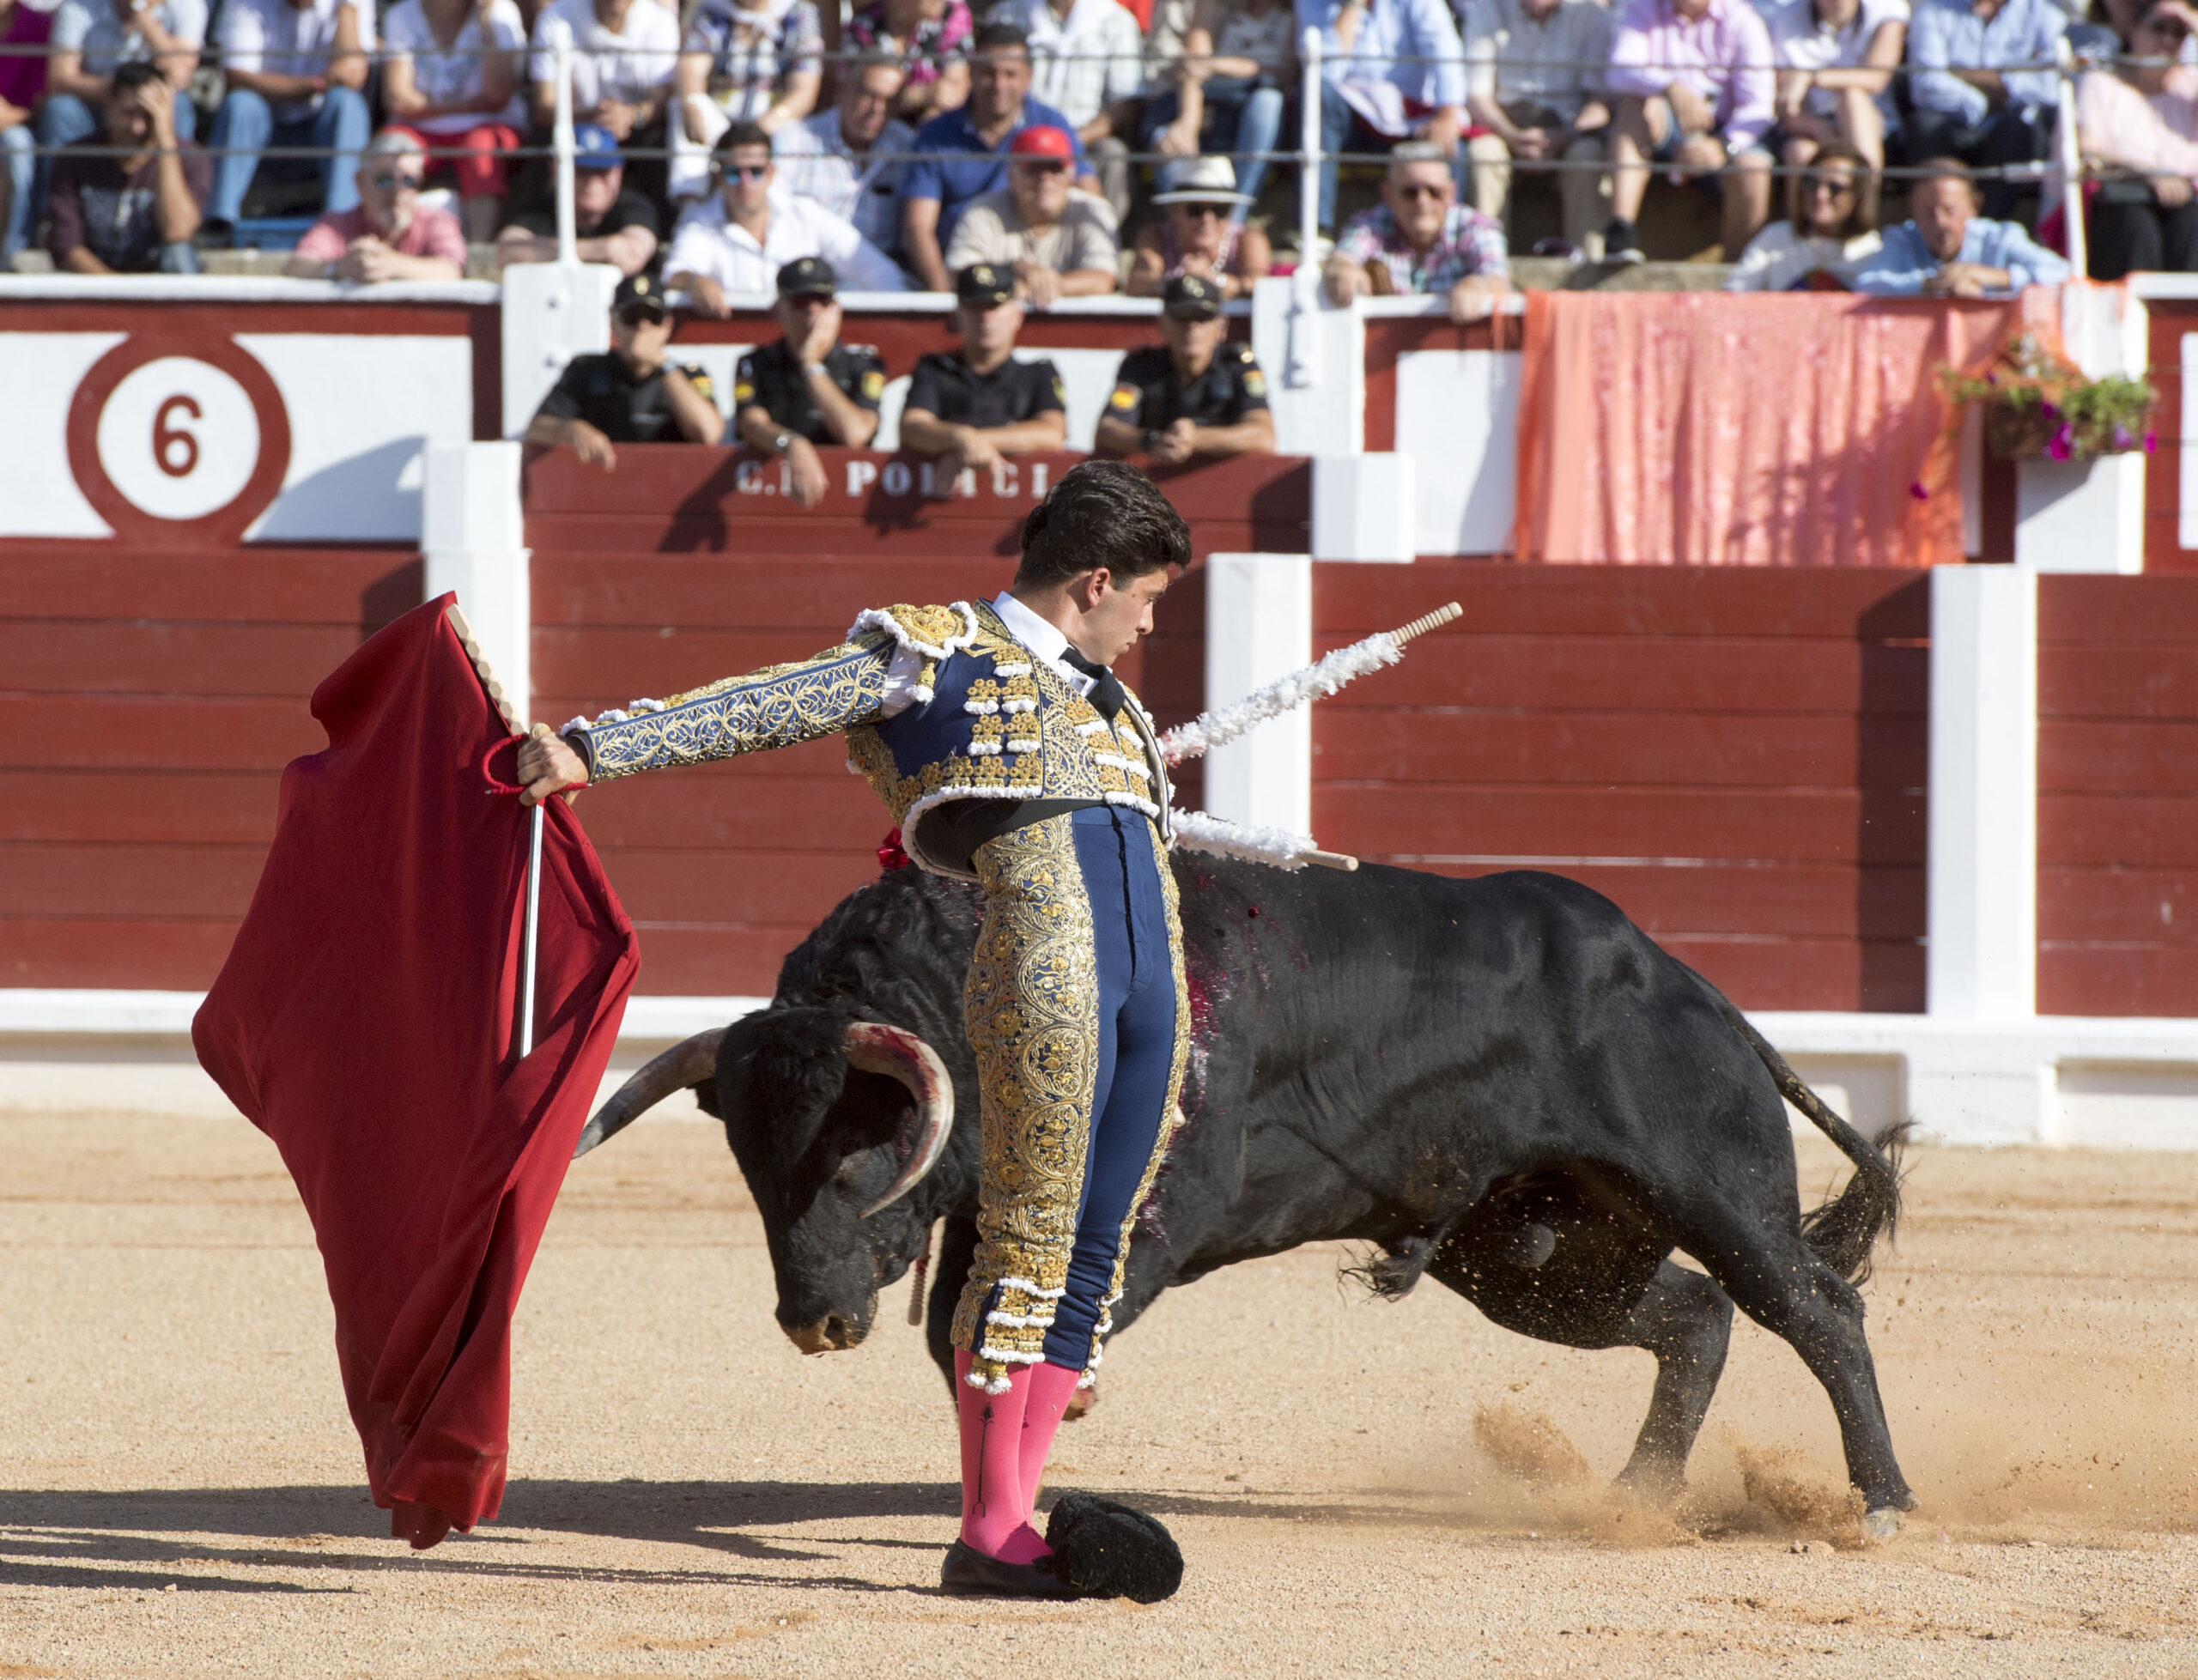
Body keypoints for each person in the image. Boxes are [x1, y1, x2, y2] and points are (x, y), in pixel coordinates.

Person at [513, 458, 1196, 1603]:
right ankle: (991, 1534)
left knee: (1094, 1250)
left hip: (1149, 987)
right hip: (1049, 975)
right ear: (1094, 580)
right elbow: (771, 702)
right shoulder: (935, 649)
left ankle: (1017, 1511)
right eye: (1147, 599)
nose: (1148, 624)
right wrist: (601, 744)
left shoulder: (1113, 706)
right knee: (1027, 1241)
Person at [900, 22, 1098, 292]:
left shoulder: (1053, 125)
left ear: (1028, 76)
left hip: (1042, 280)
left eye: (1010, 74)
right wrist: (944, 297)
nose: (999, 84)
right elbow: (917, 227)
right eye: (988, 73)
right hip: (962, 276)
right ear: (971, 70)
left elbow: (1090, 202)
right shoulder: (935, 135)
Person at [664, 120, 908, 309]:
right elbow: (674, 273)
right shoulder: (700, 224)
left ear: (771, 172)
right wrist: (695, 283)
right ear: (718, 177)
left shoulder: (804, 214)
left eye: (755, 171)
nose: (745, 182)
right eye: (733, 173)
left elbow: (879, 272)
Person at [1600, 0, 1775, 264]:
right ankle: (1620, 231)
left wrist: (1724, 145)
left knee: (1753, 168)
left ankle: (1738, 277)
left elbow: (1760, 105)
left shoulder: (1743, 20)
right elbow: (1619, 71)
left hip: (1726, 136)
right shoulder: (1642, 8)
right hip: (1666, 132)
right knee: (1633, 108)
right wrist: (1670, 88)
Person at [1296, 0, 1470, 235]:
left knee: (1451, 142)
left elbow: (1444, 51)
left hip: (1408, 120)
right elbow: (1324, 74)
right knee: (1317, 96)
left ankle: (1449, 239)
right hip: (1349, 120)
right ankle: (1315, 230)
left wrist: (1448, 113)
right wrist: (1352, 7)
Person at [203, 0, 374, 239]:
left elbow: (352, 77)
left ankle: (342, 225)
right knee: (241, 104)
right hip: (264, 124)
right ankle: (217, 225)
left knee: (347, 104)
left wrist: (346, 11)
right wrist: (317, 84)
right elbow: (238, 77)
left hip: (322, 127)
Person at [1460, 0, 1613, 257]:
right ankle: (1486, 261)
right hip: (1503, 125)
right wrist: (1511, 135)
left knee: (1588, 155)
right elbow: (1476, 95)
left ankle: (1589, 267)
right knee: (1483, 153)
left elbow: (1600, 102)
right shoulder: (1487, 10)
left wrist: (1565, 136)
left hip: (1569, 130)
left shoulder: (1591, 15)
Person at [525, 272, 726, 468]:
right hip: (605, 487)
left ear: (667, 326)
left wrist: (663, 364)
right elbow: (535, 428)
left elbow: (708, 433)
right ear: (614, 324)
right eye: (632, 317)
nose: (642, 327)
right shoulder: (587, 369)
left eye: (652, 317)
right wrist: (570, 429)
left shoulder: (690, 374)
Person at [732, 258, 887, 506]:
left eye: (822, 301)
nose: (812, 310)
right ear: (778, 310)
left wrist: (811, 364)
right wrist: (792, 443)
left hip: (850, 508)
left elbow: (855, 433)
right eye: (800, 302)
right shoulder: (754, 363)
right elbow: (751, 425)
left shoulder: (864, 364)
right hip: (770, 505)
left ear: (836, 309)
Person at [901, 261, 1069, 488]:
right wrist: (959, 437)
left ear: (1016, 314)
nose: (985, 317)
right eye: (975, 307)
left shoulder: (1038, 372)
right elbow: (912, 427)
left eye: (994, 306)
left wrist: (968, 443)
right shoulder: (933, 369)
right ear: (957, 315)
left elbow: (1052, 433)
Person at [378, 0, 528, 244]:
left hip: (488, 127)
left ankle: (479, 250)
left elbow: (497, 95)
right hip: (419, 129)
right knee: (389, 153)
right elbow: (398, 99)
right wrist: (466, 106)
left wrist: (486, 24)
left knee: (480, 148)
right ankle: (390, 243)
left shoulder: (500, 13)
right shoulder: (401, 15)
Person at [1904, 0, 2067, 220]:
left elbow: (2049, 89)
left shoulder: (2046, 15)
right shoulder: (1932, 9)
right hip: (1950, 121)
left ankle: (1985, 228)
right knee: (1924, 126)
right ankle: (1933, 227)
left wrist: (1961, 74)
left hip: (2012, 129)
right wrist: (1987, 101)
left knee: (2018, 130)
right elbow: (1925, 84)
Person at [46, 58, 208, 272]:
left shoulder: (190, 157)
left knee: (179, 255)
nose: (137, 127)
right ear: (109, 106)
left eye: (148, 117)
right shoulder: (75, 157)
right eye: (129, 113)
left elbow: (177, 232)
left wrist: (165, 139)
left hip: (161, 286)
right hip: (96, 283)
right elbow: (66, 246)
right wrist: (120, 294)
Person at [988, 0, 1145, 221]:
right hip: (1016, 135)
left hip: (1085, 139)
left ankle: (1103, 236)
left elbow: (1126, 103)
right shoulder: (1006, 14)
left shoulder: (1117, 20)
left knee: (1112, 154)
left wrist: (1069, 140)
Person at [1096, 275, 1274, 463]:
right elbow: (1107, 430)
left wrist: (1195, 438)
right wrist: (1153, 440)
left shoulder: (1238, 365)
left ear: (1222, 327)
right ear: (1162, 323)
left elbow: (1263, 435)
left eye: (1202, 317)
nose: (1192, 327)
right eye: (1182, 317)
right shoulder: (1140, 365)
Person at [1323, 141, 1511, 318]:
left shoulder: (1477, 227)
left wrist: (1478, 286)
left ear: (1451, 192)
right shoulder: (1370, 224)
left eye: (1434, 192)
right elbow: (1343, 258)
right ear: (1387, 194)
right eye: (1410, 193)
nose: (1423, 201)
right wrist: (1342, 269)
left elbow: (1497, 279)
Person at [2077, 0, 2198, 276]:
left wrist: (2194, 21)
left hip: (2187, 205)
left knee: (2193, 222)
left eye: (2179, 33)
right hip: (2121, 200)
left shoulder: (2192, 87)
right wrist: (2151, 174)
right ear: (2133, 29)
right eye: (2158, 28)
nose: (2167, 40)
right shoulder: (2101, 83)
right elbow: (2088, 150)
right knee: (2135, 223)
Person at [1762, 0, 1906, 227]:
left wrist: (1812, 77)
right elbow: (1784, 107)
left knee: (1852, 98)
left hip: (1873, 127)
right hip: (1809, 127)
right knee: (1799, 153)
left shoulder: (1888, 9)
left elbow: (1877, 78)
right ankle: (1800, 237)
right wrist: (1817, 129)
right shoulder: (1783, 19)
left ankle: (1864, 220)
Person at [1138, 0, 1292, 211]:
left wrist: (1218, 65)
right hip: (1207, 102)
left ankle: (1233, 222)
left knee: (1267, 102)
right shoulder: (1214, 5)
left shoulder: (1295, 12)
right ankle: (1179, 229)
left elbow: (1287, 72)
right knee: (1166, 141)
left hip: (1255, 109)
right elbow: (1193, 64)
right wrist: (1188, 121)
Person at [944, 122, 1119, 302]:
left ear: (1071, 176)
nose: (1045, 178)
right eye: (1033, 168)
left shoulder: (1092, 210)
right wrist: (1014, 270)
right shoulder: (981, 211)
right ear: (1011, 176)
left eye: (1055, 168)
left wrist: (1046, 285)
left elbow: (1103, 280)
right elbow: (958, 274)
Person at [670, 0, 824, 202]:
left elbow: (804, 92)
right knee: (682, 107)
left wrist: (756, 132)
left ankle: (771, 212)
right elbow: (691, 68)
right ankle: (691, 202)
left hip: (775, 124)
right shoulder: (712, 9)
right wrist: (691, 104)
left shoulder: (799, 13)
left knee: (792, 137)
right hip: (720, 126)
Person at [526, 0, 681, 199]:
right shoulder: (555, 17)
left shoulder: (660, 20)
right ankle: (539, 220)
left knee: (658, 146)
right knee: (545, 142)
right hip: (574, 126)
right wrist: (596, 116)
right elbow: (544, 107)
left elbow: (660, 101)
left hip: (634, 130)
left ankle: (654, 226)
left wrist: (630, 115)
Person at [1852, 154, 2070, 293]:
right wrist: (1932, 284)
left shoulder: (2000, 237)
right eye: (1928, 212)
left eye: (1950, 210)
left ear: (1974, 206)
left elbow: (2062, 272)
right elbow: (1866, 284)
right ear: (1913, 209)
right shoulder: (1901, 238)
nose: (1940, 222)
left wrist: (1991, 276)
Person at [36, 0, 203, 179]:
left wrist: (143, 18)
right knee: (61, 108)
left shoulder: (188, 5)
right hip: (94, 107)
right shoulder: (76, 6)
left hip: (151, 107)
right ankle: (56, 199)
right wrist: (121, 92)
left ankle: (171, 190)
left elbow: (179, 75)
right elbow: (59, 81)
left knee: (178, 105)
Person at [774, 57, 917, 259]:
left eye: (890, 100)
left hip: (880, 278)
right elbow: (772, 218)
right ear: (842, 90)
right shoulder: (794, 141)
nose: (878, 109)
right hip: (806, 272)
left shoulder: (908, 147)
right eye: (868, 95)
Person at [282, 128, 468, 280]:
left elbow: (452, 271)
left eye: (408, 181)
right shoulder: (336, 224)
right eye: (385, 180)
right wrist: (339, 268)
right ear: (360, 183)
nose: (397, 191)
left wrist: (391, 264)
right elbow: (295, 267)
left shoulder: (438, 221)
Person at [494, 120, 659, 272]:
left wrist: (544, 251)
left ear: (618, 172)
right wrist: (601, 249)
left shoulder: (633, 206)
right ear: (555, 170)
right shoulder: (539, 208)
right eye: (582, 172)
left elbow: (633, 252)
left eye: (602, 172)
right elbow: (507, 251)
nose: (592, 182)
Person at [1723, 138, 1881, 288]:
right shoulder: (1776, 237)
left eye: (1834, 187)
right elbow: (1734, 294)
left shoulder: (1872, 251)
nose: (1821, 194)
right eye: (1811, 183)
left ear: (1858, 195)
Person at [1126, 155, 1272, 296]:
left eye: (1219, 210)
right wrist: (1182, 282)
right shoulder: (1155, 236)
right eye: (1195, 210)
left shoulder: (1249, 238)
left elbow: (1259, 286)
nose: (1207, 219)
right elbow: (1137, 284)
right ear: (1175, 210)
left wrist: (1214, 280)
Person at [845, 0, 974, 124]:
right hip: (878, 129)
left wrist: (927, 127)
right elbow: (854, 99)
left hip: (933, 126)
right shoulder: (864, 24)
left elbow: (954, 91)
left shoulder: (952, 12)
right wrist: (922, 94)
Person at [0, 0, 52, 264]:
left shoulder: (40, 26)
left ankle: (12, 254)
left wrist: (11, 116)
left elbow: (42, 101)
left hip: (17, 127)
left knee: (18, 145)